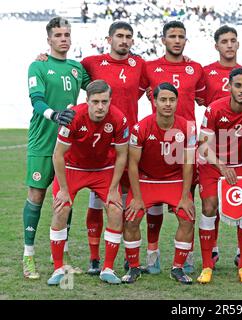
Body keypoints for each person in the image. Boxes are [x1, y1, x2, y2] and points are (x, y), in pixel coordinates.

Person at [80, 21, 149, 275]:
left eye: (128, 36)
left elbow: (158, 81)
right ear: (109, 39)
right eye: (119, 36)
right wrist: (43, 57)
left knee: (124, 200)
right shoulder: (91, 63)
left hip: (128, 140)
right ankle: (95, 258)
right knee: (97, 201)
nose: (124, 40)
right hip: (98, 142)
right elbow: (69, 71)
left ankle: (129, 257)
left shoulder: (140, 64)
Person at [23, 17, 89, 279]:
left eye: (67, 34)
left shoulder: (76, 68)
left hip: (68, 145)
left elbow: (97, 86)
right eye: (58, 35)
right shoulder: (37, 65)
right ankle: (28, 256)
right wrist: (54, 115)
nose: (64, 38)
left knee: (66, 200)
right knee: (36, 198)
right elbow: (36, 100)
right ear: (49, 39)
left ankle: (61, 254)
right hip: (42, 142)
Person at [47, 80, 129, 285]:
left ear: (110, 101)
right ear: (87, 101)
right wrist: (63, 190)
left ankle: (108, 268)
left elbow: (121, 156)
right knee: (61, 209)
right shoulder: (73, 116)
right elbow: (58, 155)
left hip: (103, 170)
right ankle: (58, 269)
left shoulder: (119, 119)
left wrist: (113, 190)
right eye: (95, 102)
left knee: (116, 209)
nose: (100, 106)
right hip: (73, 168)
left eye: (104, 101)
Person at [142, 20, 205, 275]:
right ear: (163, 40)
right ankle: (152, 253)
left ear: (186, 40)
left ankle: (186, 255)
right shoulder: (149, 68)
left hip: (186, 143)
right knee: (153, 203)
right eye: (172, 36)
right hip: (156, 143)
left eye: (181, 36)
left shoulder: (196, 68)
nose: (177, 40)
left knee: (186, 201)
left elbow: (206, 99)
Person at [197, 68, 242, 284]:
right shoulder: (215, 109)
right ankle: (207, 266)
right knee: (209, 207)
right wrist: (221, 166)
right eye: (238, 85)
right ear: (229, 86)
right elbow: (203, 146)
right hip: (213, 164)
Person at [122, 82, 196, 284]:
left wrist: (184, 196)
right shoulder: (141, 127)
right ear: (154, 102)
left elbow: (189, 163)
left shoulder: (188, 127)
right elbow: (133, 164)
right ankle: (134, 267)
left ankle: (177, 268)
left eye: (172, 100)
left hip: (175, 180)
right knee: (131, 218)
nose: (167, 104)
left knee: (187, 217)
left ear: (177, 102)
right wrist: (137, 198)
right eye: (163, 99)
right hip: (146, 180)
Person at [199, 25, 242, 268]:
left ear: (238, 44)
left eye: (233, 40)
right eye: (224, 41)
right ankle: (213, 249)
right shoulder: (205, 72)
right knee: (210, 202)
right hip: (212, 148)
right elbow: (198, 99)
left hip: (241, 150)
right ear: (216, 45)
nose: (229, 45)